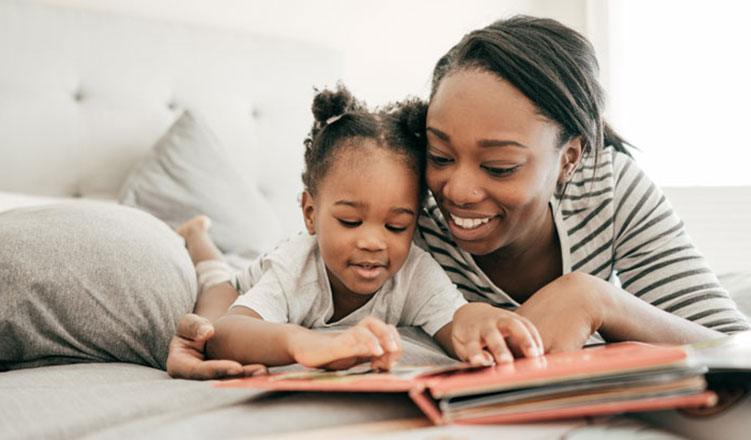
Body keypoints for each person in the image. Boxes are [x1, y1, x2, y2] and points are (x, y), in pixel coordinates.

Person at [167, 15, 750, 379]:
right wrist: (207, 329)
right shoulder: (401, 212)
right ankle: (199, 238)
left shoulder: (612, 188)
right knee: (223, 268)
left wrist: (599, 300)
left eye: (499, 165)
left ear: (570, 158)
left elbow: (740, 348)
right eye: (440, 156)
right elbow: (289, 286)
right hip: (255, 269)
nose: (456, 191)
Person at [167, 85, 543, 378]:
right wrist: (304, 343)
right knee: (215, 284)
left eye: (397, 226)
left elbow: (455, 318)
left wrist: (482, 319)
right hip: (243, 283)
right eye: (350, 221)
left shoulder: (415, 271)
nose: (373, 242)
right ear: (311, 214)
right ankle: (198, 235)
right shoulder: (293, 268)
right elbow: (230, 332)